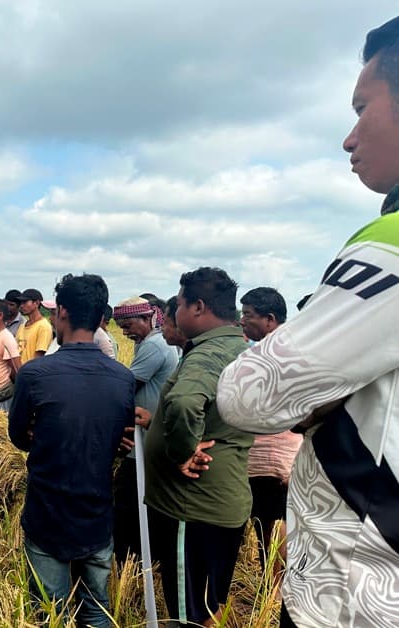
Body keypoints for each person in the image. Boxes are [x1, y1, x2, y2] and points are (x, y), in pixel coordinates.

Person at [218, 17, 399, 627]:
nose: (349, 139)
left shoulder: (389, 243)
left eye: (361, 108)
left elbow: (247, 394)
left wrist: (316, 398)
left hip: (355, 591)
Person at [8, 273, 134, 627]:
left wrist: (45, 434)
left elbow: (18, 437)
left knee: (51, 613)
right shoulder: (122, 378)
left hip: (47, 515)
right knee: (97, 610)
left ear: (61, 312)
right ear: (100, 319)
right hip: (96, 516)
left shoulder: (35, 375)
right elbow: (118, 440)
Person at [143, 267, 251, 627]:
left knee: (192, 614)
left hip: (192, 505)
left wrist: (180, 451)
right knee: (210, 603)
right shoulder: (236, 345)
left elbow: (186, 401)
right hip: (219, 501)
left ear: (198, 307)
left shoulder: (207, 354)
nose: (174, 315)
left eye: (180, 306)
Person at [236, 287, 301, 583]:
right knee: (280, 520)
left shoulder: (264, 354)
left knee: (272, 523)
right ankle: (279, 586)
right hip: (289, 452)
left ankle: (274, 589)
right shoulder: (299, 347)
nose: (242, 320)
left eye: (248, 314)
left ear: (269, 319)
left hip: (270, 452)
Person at [111, 296, 178, 564]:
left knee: (129, 503)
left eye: (128, 326)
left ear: (147, 318)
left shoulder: (154, 345)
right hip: (145, 438)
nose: (126, 332)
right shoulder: (149, 342)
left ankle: (134, 560)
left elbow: (125, 386)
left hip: (146, 442)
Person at [15, 288, 52, 364]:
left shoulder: (43, 327)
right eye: (21, 303)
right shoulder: (22, 326)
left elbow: (39, 356)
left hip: (30, 372)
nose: (21, 306)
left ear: (37, 303)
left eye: (25, 302)